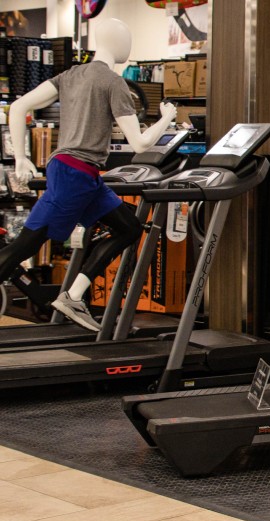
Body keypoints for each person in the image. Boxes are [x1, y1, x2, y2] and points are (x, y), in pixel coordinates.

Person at [6, 19, 177, 330]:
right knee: (27, 245)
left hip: (84, 176)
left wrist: (22, 157)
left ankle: (73, 296)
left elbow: (18, 107)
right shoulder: (113, 82)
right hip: (74, 174)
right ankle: (71, 296)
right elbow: (139, 143)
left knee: (128, 228)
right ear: (118, 43)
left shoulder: (70, 75)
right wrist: (166, 118)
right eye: (127, 38)